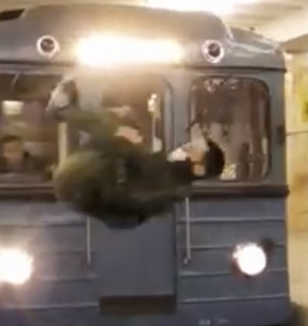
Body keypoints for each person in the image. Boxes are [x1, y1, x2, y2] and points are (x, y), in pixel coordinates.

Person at [46, 75, 225, 229]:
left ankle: (60, 111)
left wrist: (123, 143)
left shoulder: (166, 187)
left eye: (193, 149)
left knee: (114, 127)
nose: (185, 146)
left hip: (78, 185)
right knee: (120, 125)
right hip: (82, 182)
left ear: (199, 169)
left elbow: (119, 194)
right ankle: (66, 109)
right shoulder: (168, 177)